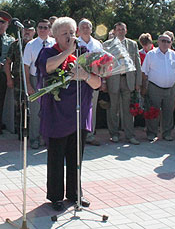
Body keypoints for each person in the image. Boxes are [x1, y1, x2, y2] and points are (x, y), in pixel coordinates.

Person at [36, 17, 101, 211]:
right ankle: (55, 196)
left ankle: (74, 193)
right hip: (57, 114)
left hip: (79, 113)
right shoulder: (48, 52)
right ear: (55, 35)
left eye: (72, 33)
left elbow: (97, 84)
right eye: (65, 33)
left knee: (76, 157)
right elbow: (47, 68)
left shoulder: (85, 53)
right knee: (56, 156)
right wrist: (68, 52)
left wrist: (86, 76)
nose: (70, 36)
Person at [102, 22, 142, 145]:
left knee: (128, 110)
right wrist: (103, 81)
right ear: (114, 31)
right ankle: (114, 134)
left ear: (126, 30)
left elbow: (137, 63)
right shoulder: (107, 45)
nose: (120, 31)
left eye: (122, 29)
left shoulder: (132, 44)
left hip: (128, 80)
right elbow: (103, 64)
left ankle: (130, 135)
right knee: (113, 109)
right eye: (118, 29)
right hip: (113, 80)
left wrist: (138, 82)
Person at [141, 33, 175, 141]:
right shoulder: (151, 54)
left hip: (170, 88)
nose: (165, 43)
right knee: (153, 111)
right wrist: (144, 87)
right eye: (163, 41)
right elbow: (144, 72)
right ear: (158, 42)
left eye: (168, 41)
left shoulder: (174, 55)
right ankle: (151, 133)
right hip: (154, 87)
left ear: (171, 43)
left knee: (168, 112)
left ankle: (167, 133)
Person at [23, 19, 55, 149]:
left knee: (50, 110)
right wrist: (29, 85)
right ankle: (34, 139)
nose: (42, 30)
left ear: (50, 29)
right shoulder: (31, 45)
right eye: (40, 27)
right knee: (36, 111)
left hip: (51, 79)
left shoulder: (55, 43)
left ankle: (47, 137)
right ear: (36, 29)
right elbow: (26, 66)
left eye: (45, 27)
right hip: (35, 79)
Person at [4, 22, 35, 137]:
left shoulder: (36, 44)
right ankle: (21, 131)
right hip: (19, 80)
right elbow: (7, 63)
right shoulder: (15, 45)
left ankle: (33, 130)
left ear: (34, 32)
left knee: (33, 106)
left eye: (30, 30)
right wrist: (9, 79)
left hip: (34, 79)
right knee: (20, 106)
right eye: (25, 30)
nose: (27, 32)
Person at [77, 18, 103, 146]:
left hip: (94, 79)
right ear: (78, 29)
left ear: (92, 29)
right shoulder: (74, 43)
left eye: (88, 27)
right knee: (76, 106)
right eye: (83, 27)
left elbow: (103, 61)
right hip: (77, 80)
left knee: (91, 107)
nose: (86, 29)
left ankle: (90, 135)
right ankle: (76, 134)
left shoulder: (97, 44)